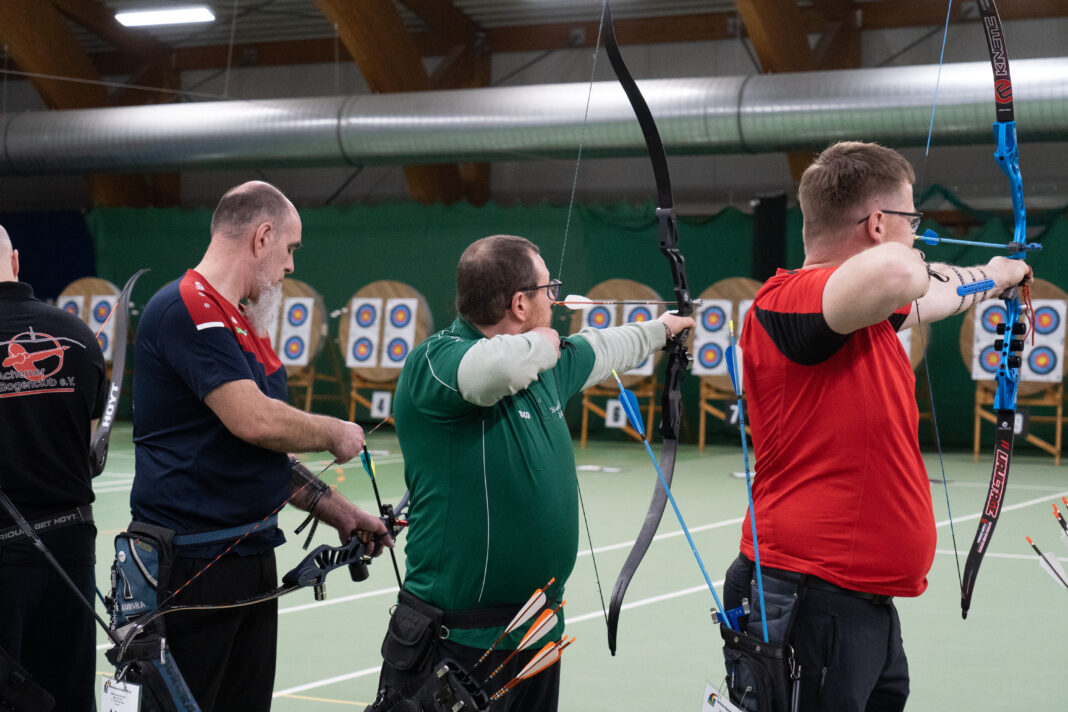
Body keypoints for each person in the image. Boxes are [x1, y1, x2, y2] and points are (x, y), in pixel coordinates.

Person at [722, 141, 1033, 712]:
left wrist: (997, 274)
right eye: (911, 220)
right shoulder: (790, 298)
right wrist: (916, 258)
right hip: (805, 595)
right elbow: (900, 271)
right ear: (877, 224)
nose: (916, 233)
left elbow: (932, 295)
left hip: (856, 607)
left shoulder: (854, 312)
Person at [366, 234, 695, 712]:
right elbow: (487, 374)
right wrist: (541, 340)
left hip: (535, 633)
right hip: (457, 640)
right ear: (520, 303)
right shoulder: (436, 361)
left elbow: (603, 346)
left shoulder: (546, 365)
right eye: (548, 289)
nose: (556, 299)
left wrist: (663, 329)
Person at [130, 181, 391, 711]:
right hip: (193, 564)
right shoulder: (187, 306)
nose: (291, 265)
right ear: (263, 236)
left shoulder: (242, 321)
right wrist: (334, 432)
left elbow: (264, 454)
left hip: (248, 554)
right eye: (290, 248)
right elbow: (253, 420)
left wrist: (341, 512)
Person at [0, 224, 106, 711]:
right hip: (70, 551)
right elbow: (90, 448)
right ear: (16, 262)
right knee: (67, 697)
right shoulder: (78, 336)